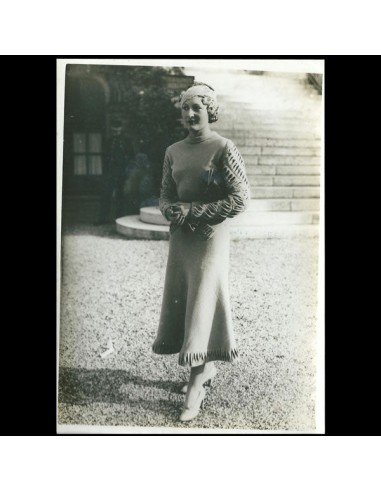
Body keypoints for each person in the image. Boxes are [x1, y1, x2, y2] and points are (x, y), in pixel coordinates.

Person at [152, 82, 250, 422]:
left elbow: (240, 199)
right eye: (186, 108)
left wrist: (193, 211)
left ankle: (196, 382)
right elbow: (165, 194)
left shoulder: (224, 147)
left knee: (203, 299)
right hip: (182, 238)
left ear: (210, 110)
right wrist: (170, 210)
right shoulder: (173, 151)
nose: (191, 114)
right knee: (187, 297)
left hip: (210, 236)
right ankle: (204, 367)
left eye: (198, 107)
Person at [96, 120, 130, 224]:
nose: (115, 133)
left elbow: (131, 156)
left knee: (120, 196)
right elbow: (104, 156)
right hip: (109, 172)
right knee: (106, 195)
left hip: (121, 172)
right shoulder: (109, 141)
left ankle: (120, 219)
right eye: (113, 131)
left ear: (121, 129)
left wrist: (126, 169)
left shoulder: (126, 141)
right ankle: (103, 219)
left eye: (117, 130)